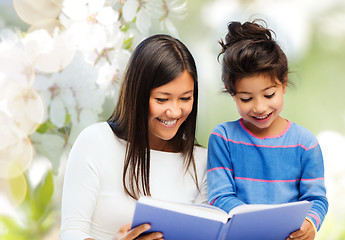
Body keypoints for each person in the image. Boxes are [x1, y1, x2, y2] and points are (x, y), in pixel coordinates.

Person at [59, 34, 207, 240]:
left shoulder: (201, 161)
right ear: (136, 94)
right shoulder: (96, 142)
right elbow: (71, 233)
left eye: (185, 98)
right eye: (162, 99)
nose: (174, 111)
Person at [207, 20, 328, 240]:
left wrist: (310, 223)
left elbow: (317, 200)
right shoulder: (223, 138)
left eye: (269, 95)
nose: (260, 107)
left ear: (283, 83)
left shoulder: (305, 143)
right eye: (246, 98)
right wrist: (261, 224)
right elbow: (219, 197)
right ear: (230, 92)